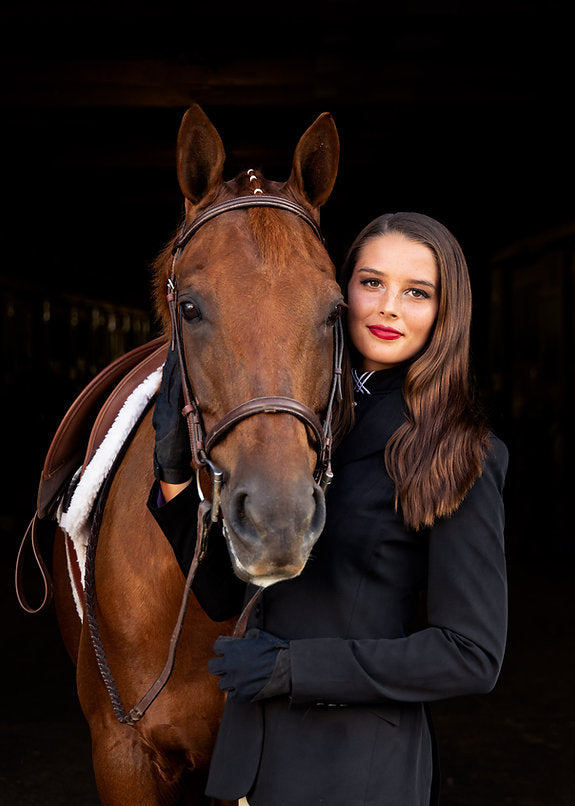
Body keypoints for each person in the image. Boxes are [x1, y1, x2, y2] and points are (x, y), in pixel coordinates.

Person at [147, 211, 508, 806]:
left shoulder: (460, 452)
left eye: (416, 292)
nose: (389, 307)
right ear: (339, 294)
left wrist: (295, 669)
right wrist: (174, 482)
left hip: (356, 773)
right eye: (371, 283)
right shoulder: (300, 432)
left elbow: (471, 655)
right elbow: (223, 595)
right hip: (247, 770)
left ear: (446, 313)